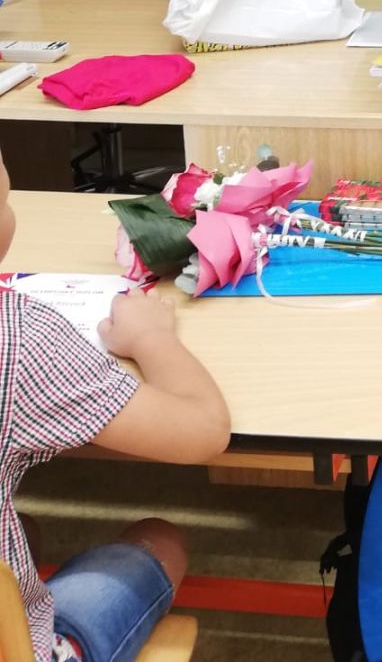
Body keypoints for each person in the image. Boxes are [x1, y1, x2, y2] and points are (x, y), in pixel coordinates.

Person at [0, 147, 231, 662]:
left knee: (24, 528)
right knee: (160, 540)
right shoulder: (19, 338)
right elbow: (203, 430)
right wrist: (151, 338)